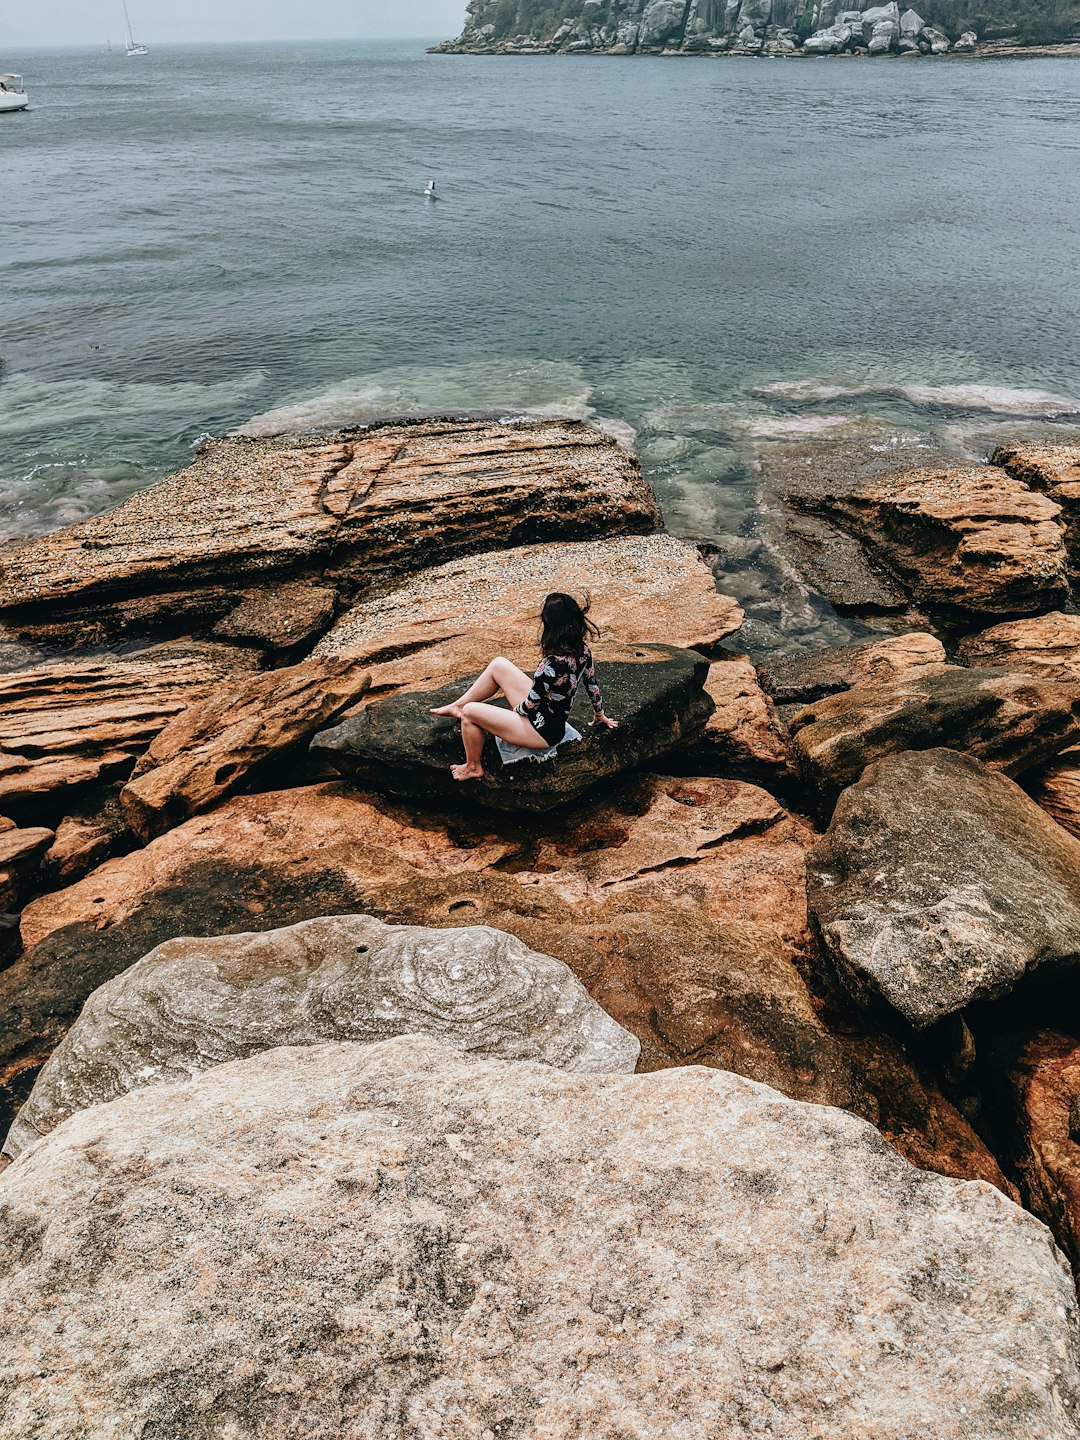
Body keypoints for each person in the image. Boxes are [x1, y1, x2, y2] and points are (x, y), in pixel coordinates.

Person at [430, 592, 619, 782]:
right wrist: (599, 714)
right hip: (550, 721)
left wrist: (515, 711)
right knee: (499, 664)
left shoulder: (550, 665)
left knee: (470, 712)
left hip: (540, 732)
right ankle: (457, 705)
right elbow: (592, 685)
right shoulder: (583, 651)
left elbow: (529, 705)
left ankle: (473, 766)